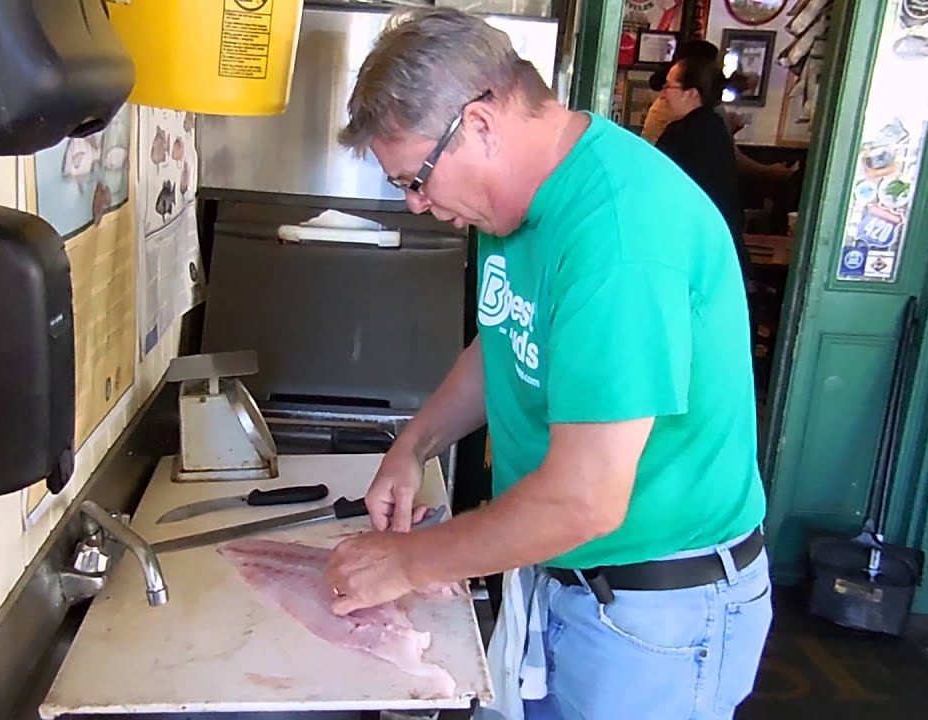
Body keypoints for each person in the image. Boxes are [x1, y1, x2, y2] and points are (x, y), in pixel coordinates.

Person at [325, 8, 772, 719]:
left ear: (478, 125)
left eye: (415, 179)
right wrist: (414, 445)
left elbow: (584, 498)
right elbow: (505, 336)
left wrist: (408, 561)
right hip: (564, 580)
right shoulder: (515, 204)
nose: (417, 204)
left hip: (655, 618)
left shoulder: (622, 234)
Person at [655, 55, 751, 287]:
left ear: (692, 93)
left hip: (691, 253)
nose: (663, 94)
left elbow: (656, 193)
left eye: (669, 86)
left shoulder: (680, 133)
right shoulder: (716, 126)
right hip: (722, 249)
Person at [643, 41, 798, 184]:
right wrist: (771, 172)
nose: (664, 93)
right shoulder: (696, 121)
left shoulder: (696, 122)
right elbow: (728, 159)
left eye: (668, 86)